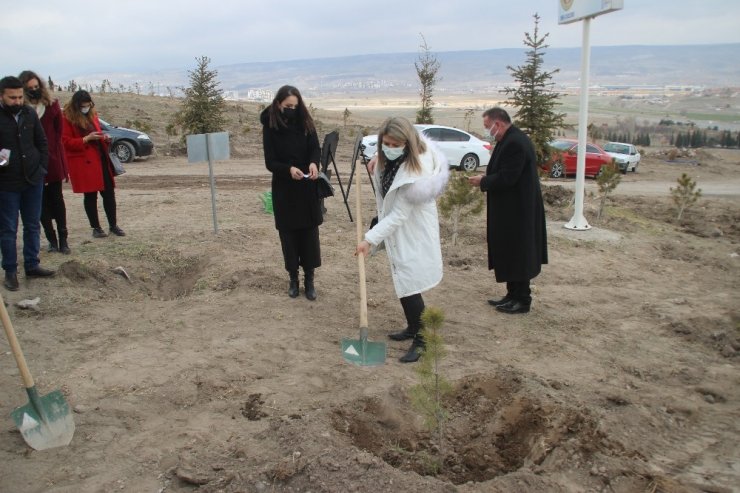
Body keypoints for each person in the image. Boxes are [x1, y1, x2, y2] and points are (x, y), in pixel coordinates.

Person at [356, 117, 448, 363]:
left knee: (409, 283)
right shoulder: (393, 159)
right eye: (385, 143)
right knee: (404, 280)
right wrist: (379, 159)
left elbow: (398, 214)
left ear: (407, 144)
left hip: (413, 231)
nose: (389, 147)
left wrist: (369, 239)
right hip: (401, 231)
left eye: (395, 144)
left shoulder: (414, 173)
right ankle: (412, 326)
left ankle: (423, 339)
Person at [468, 107, 548, 314]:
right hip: (510, 209)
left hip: (519, 211)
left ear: (498, 124)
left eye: (487, 127)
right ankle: (512, 294)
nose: (486, 131)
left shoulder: (516, 143)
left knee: (519, 253)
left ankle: (522, 300)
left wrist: (483, 181)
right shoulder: (509, 139)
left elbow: (508, 177)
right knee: (510, 251)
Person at [261, 85, 322, 301]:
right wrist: (288, 170)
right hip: (285, 189)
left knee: (309, 237)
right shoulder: (270, 126)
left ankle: (310, 280)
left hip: (307, 188)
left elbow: (315, 148)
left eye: (295, 106)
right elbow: (270, 162)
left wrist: (314, 163)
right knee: (288, 237)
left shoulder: (306, 121)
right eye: (288, 106)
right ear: (278, 104)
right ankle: (293, 280)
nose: (292, 110)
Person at [0, 76, 55, 291]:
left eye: (20, 97)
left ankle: (32, 265)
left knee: (33, 224)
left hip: (33, 179)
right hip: (7, 183)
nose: (17, 101)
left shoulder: (30, 113)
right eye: (12, 98)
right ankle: (10, 271)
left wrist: (41, 168)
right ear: (2, 96)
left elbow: (41, 142)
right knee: (8, 229)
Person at [61, 90, 125, 239]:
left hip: (100, 160)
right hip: (84, 163)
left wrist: (105, 138)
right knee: (90, 196)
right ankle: (96, 228)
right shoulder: (67, 118)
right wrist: (85, 139)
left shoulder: (92, 115)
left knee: (109, 194)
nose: (86, 108)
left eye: (88, 105)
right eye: (83, 106)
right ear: (76, 105)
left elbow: (98, 133)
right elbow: (65, 142)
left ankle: (113, 225)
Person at [19, 70, 70, 254]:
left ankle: (64, 239)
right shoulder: (22, 110)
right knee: (40, 203)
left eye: (36, 87)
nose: (34, 90)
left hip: (52, 159)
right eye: (29, 88)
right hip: (31, 163)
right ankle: (52, 239)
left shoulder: (52, 105)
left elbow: (58, 134)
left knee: (57, 199)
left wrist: (54, 157)